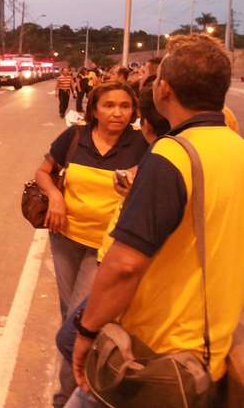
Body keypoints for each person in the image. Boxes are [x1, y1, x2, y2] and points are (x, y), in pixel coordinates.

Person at [68, 35, 244, 408]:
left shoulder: (172, 155)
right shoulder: (236, 148)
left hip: (155, 358)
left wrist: (86, 331)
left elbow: (125, 264)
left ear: (164, 89)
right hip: (212, 350)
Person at [33, 82, 148, 408]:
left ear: (134, 110)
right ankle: (75, 390)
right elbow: (43, 172)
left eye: (124, 106)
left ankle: (65, 398)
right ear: (94, 109)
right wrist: (55, 195)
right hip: (66, 238)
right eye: (109, 105)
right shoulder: (74, 138)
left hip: (106, 250)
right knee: (69, 316)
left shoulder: (142, 144)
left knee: (79, 324)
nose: (117, 113)